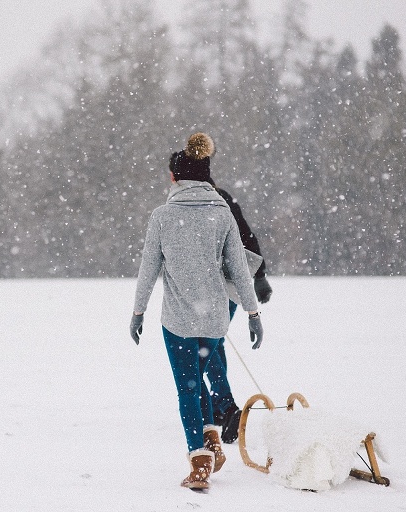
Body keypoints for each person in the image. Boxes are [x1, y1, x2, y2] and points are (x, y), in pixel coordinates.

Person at [130, 132, 264, 490]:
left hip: (176, 323)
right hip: (214, 320)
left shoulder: (162, 216)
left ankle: (200, 462)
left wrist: (138, 312)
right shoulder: (223, 214)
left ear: (176, 177)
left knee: (188, 388)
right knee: (197, 380)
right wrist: (252, 313)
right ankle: (212, 442)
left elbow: (149, 269)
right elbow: (239, 268)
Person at [168, 151, 273, 444]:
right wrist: (259, 274)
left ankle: (223, 407)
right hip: (225, 287)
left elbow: (244, 236)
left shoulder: (186, 204)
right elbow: (246, 236)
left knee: (204, 345)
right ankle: (220, 405)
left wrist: (260, 275)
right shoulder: (217, 197)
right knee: (211, 344)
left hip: (212, 287)